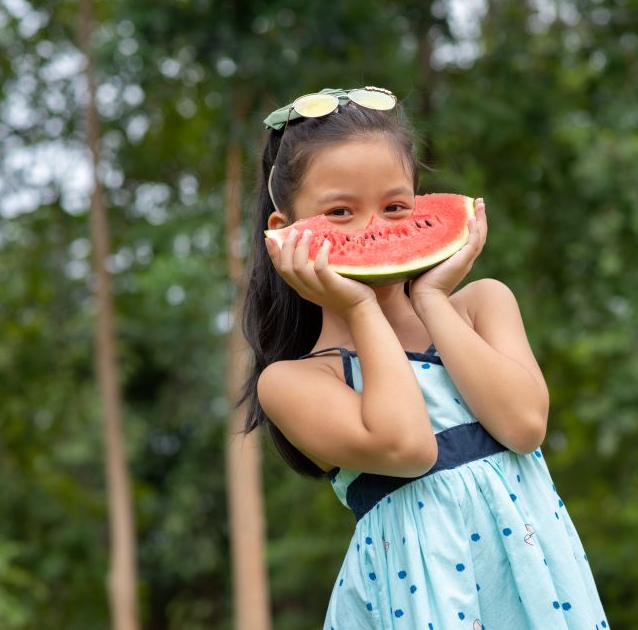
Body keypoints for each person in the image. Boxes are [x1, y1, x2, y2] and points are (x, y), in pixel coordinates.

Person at [236, 86, 610, 629]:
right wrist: (360, 309)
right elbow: (408, 447)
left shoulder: (481, 305)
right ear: (284, 234)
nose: (373, 231)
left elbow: (524, 426)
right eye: (340, 212)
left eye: (396, 208)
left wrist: (432, 299)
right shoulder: (293, 382)